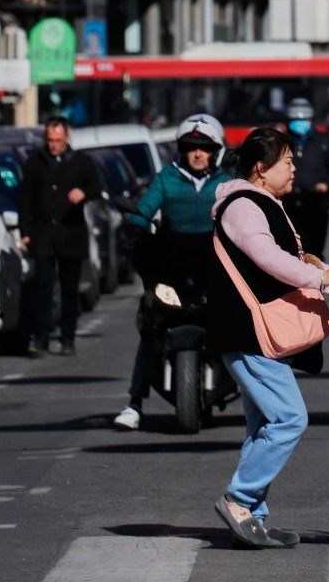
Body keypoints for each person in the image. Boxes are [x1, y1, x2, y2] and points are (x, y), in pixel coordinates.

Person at [208, 124, 329, 549]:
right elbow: (269, 259)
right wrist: (320, 280)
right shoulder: (243, 205)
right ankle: (239, 499)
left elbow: (295, 258)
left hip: (258, 333)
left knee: (264, 424)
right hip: (249, 333)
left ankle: (252, 518)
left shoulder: (262, 201)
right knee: (289, 419)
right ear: (261, 169)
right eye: (287, 161)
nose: (295, 167)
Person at [113, 113, 228, 430]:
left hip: (216, 267)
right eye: (190, 146)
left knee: (246, 321)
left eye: (204, 147)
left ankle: (259, 398)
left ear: (215, 151)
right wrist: (135, 227)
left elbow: (247, 210)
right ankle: (134, 402)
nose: (197, 152)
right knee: (149, 322)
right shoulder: (166, 177)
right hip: (174, 267)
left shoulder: (227, 181)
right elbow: (145, 208)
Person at [18, 117, 102, 357]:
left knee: (69, 290)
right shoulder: (35, 163)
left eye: (58, 140)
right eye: (49, 140)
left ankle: (67, 338)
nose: (53, 145)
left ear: (66, 138)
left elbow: (97, 188)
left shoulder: (81, 162)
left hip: (71, 234)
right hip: (43, 234)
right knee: (43, 287)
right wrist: (25, 233)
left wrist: (83, 193)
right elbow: (26, 200)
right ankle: (41, 337)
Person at [283, 98, 329, 259]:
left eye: (303, 120)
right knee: (291, 246)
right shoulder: (283, 141)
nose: (299, 123)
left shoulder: (324, 141)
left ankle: (318, 277)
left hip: (317, 202)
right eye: (295, 120)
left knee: (316, 246)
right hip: (289, 202)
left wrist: (327, 183)